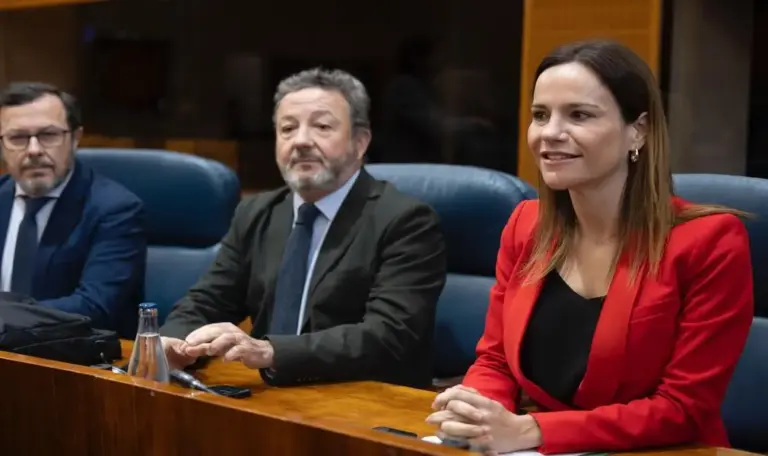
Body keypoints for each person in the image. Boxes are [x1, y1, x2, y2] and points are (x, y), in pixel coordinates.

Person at [426, 40, 753, 454]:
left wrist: (534, 431)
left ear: (640, 129)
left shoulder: (711, 241)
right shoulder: (525, 225)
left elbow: (682, 410)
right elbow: (496, 362)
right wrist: (477, 410)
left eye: (579, 115)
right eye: (540, 115)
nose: (550, 133)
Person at [159, 68, 447, 389]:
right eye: (287, 129)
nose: (301, 141)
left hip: (362, 402)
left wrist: (271, 351)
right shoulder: (257, 212)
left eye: (322, 127)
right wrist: (172, 343)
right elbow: (207, 300)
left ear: (360, 142)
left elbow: (388, 334)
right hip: (271, 398)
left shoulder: (406, 220)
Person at [0, 82, 147, 338]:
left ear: (75, 138)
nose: (34, 150)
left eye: (48, 135)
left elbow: (95, 307)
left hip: (74, 362)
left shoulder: (116, 210)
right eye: (18, 138)